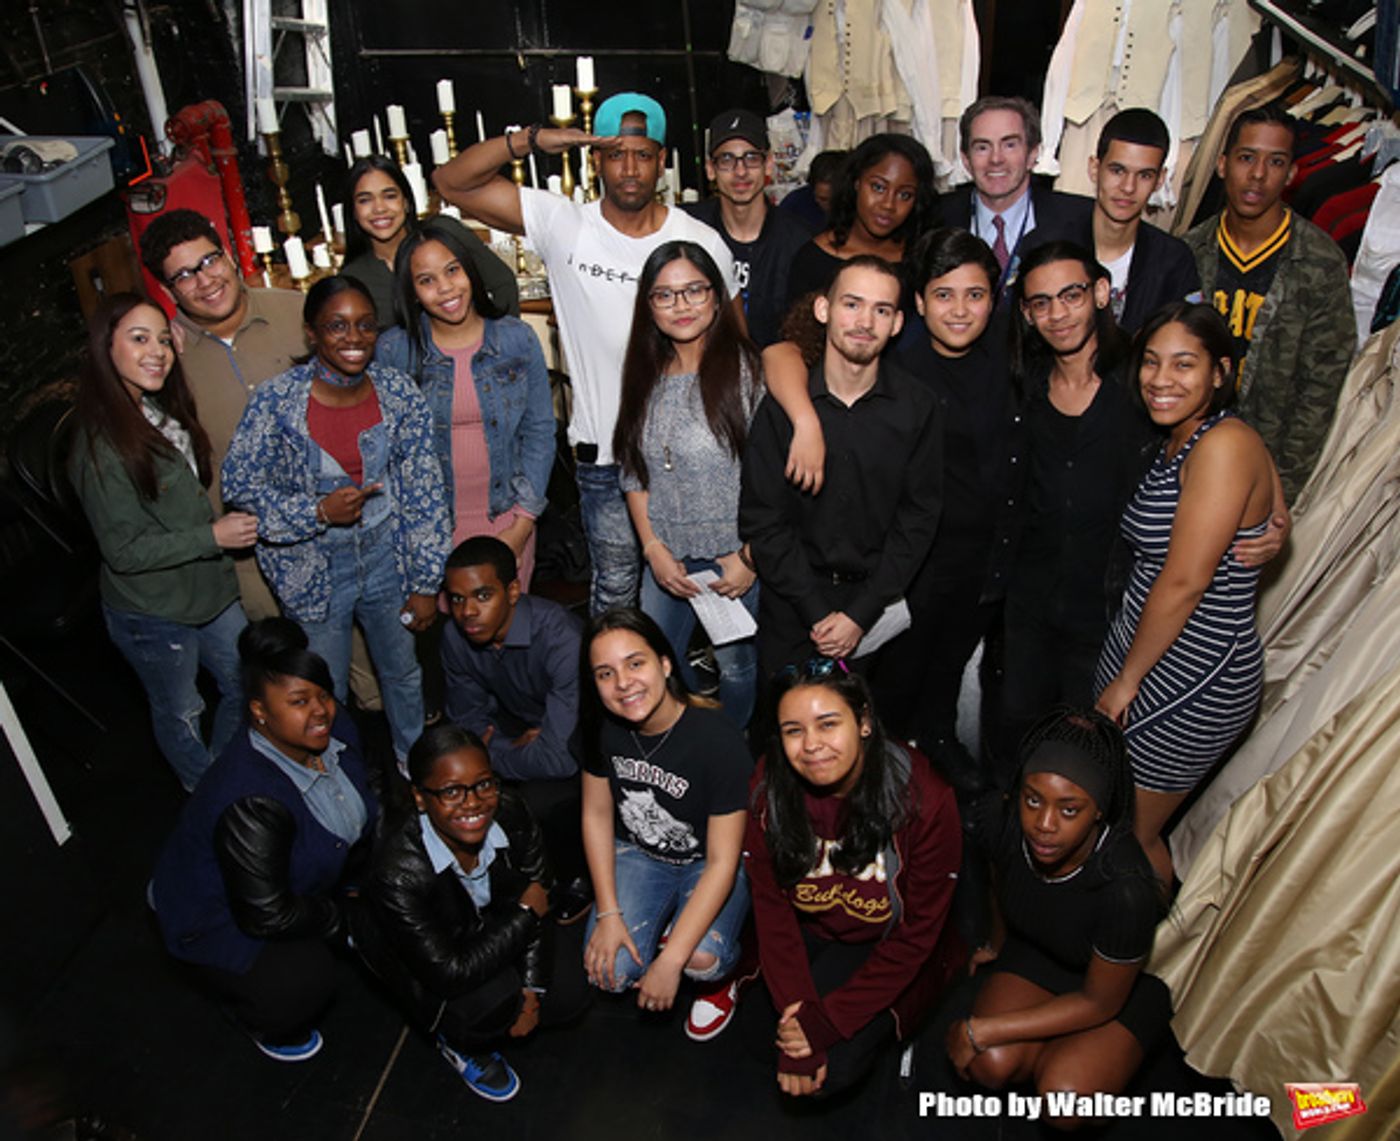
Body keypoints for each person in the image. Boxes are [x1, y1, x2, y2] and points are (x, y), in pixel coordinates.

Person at [433, 93, 737, 614]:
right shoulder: (564, 223)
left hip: (686, 452)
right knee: (616, 595)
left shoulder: (700, 241)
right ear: (595, 159)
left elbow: (737, 351)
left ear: (662, 160)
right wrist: (531, 141)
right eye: (616, 153)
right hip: (606, 457)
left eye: (642, 154)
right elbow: (451, 182)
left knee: (705, 593)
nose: (630, 168)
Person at [221, 275, 450, 768]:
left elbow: (426, 490)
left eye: (365, 325)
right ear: (311, 333)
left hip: (390, 559)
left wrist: (427, 580)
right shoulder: (277, 402)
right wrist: (317, 513)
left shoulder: (397, 392)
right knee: (324, 687)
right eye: (337, 326)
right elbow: (238, 488)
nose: (354, 338)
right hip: (311, 570)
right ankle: (339, 781)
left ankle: (416, 774)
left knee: (403, 674)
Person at [1095, 304, 1276, 887]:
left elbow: (1185, 579)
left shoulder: (1222, 444)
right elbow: (1269, 503)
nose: (1161, 378)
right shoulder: (1182, 437)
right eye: (1150, 362)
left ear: (1220, 371)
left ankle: (1141, 961)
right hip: (1149, 651)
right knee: (1109, 814)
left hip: (1196, 668)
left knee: (1129, 834)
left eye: (1183, 363)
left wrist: (1129, 679)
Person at [151, 618, 378, 1061]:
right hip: (216, 915)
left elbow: (370, 788)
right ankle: (255, 1017)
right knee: (302, 982)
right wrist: (346, 922)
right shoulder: (249, 799)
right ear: (258, 711)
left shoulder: (327, 724)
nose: (319, 710)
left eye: (322, 695)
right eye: (298, 701)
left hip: (285, 884)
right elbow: (267, 913)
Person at [742, 663, 962, 1098]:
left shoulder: (926, 799)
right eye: (793, 730)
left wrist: (824, 1023)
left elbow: (917, 936)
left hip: (882, 940)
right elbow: (770, 908)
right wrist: (798, 1014)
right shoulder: (770, 790)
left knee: (832, 1069)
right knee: (760, 1040)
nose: (811, 747)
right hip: (812, 926)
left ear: (863, 722)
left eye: (828, 724)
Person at [946, 708, 1170, 1130]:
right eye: (1034, 800)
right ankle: (1052, 1055)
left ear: (1099, 811)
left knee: (1065, 1104)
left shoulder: (1126, 889)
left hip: (1109, 991)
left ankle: (1072, 1059)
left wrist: (983, 1030)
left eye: (1069, 810)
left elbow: (1098, 1001)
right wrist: (995, 942)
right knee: (990, 1066)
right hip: (1039, 954)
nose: (1043, 825)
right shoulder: (1003, 820)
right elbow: (1000, 886)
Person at [70, 292, 255, 790]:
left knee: (246, 679)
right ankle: (208, 795)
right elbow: (124, 553)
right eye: (138, 339)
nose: (157, 351)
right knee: (182, 711)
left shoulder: (153, 410)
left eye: (162, 340)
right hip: (152, 612)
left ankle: (227, 774)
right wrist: (212, 534)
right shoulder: (98, 449)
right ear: (106, 347)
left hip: (208, 590)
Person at [353, 724, 588, 1102]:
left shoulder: (510, 811)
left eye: (484, 784)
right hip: (434, 957)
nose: (474, 802)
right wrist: (524, 915)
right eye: (450, 791)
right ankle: (460, 1044)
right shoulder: (397, 872)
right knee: (488, 1006)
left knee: (568, 992)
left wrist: (531, 990)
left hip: (489, 925)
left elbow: (539, 891)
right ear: (419, 798)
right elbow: (450, 971)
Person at [739, 257, 942, 675]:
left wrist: (859, 615)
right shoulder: (785, 408)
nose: (865, 321)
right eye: (852, 304)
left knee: (867, 735)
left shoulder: (917, 408)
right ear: (823, 309)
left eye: (881, 310)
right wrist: (815, 611)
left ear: (898, 323)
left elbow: (918, 520)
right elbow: (762, 521)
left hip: (875, 609)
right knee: (782, 732)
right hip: (791, 606)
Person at [871, 229, 1014, 777]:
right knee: (896, 680)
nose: (960, 310)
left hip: (984, 562)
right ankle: (886, 773)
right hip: (915, 565)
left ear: (993, 300)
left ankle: (936, 747)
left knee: (951, 669)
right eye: (944, 294)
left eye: (974, 295)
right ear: (919, 300)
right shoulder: (896, 371)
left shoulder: (1011, 357)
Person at [581, 608, 751, 1042]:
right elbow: (597, 815)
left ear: (665, 663)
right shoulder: (599, 728)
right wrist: (609, 912)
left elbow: (721, 862)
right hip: (640, 853)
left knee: (700, 958)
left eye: (635, 663)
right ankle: (665, 927)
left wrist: (671, 962)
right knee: (610, 972)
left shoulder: (717, 739)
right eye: (605, 673)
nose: (623, 684)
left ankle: (723, 978)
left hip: (707, 860)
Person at [614, 240, 764, 727]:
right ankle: (692, 739)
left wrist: (750, 557)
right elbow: (634, 469)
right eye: (665, 295)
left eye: (694, 291)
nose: (681, 306)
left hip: (732, 559)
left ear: (717, 297)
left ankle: (732, 751)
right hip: (668, 558)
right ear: (648, 305)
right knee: (658, 660)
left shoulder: (749, 373)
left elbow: (775, 479)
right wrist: (653, 547)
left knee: (738, 670)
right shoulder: (643, 373)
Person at [138, 208, 304, 620]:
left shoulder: (300, 313)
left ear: (228, 253)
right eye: (184, 275)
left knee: (369, 670)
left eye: (209, 260)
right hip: (248, 556)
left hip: (333, 528)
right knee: (281, 673)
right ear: (167, 289)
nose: (205, 280)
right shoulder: (165, 363)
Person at [1184, 103, 1355, 502]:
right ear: (1223, 164)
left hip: (1266, 471)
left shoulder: (1319, 262)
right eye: (1247, 158)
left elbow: (1321, 390)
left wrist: (1283, 490)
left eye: (1275, 162)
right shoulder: (1190, 252)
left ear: (1292, 173)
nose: (1258, 175)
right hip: (1187, 462)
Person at [376, 220, 554, 585]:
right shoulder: (394, 350)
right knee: (449, 637)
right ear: (411, 292)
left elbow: (540, 432)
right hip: (429, 528)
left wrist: (521, 526)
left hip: (508, 518)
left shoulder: (516, 340)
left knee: (510, 630)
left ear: (469, 270)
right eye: (427, 280)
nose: (445, 289)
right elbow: (386, 453)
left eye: (452, 270)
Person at [441, 536, 590, 904]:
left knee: (543, 798)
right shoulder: (455, 637)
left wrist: (491, 755)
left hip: (584, 735)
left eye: (482, 596)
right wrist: (503, 750)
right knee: (447, 768)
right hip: (520, 728)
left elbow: (558, 757)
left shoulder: (560, 638)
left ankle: (575, 875)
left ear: (511, 591)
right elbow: (466, 721)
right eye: (457, 599)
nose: (467, 613)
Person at [935, 96, 1089, 303]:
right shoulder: (935, 219)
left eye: (1009, 145)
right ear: (965, 160)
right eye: (982, 147)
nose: (996, 159)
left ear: (1033, 154)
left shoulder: (1079, 221)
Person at [682, 109, 814, 348]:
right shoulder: (687, 229)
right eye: (727, 160)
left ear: (768, 164)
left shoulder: (800, 241)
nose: (740, 171)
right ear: (710, 169)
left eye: (751, 158)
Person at [340, 155, 518, 329]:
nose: (379, 208)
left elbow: (503, 283)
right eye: (365, 200)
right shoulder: (354, 278)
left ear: (406, 202)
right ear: (353, 212)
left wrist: (507, 346)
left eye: (389, 196)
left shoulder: (444, 231)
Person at [1073, 108, 1202, 333]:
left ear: (1160, 180)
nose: (1128, 187)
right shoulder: (1056, 242)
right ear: (1095, 168)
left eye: (1144, 175)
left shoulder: (1173, 261)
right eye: (1117, 170)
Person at [784, 133, 937, 312]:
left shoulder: (921, 261)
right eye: (878, 187)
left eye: (904, 195)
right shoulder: (814, 260)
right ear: (856, 182)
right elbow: (798, 335)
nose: (888, 204)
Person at [777, 149, 845, 233]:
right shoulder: (794, 204)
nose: (831, 205)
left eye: (837, 198)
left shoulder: (859, 207)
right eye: (823, 199)